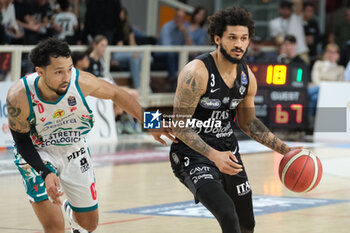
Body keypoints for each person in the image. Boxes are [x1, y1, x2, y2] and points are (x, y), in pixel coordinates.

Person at [6, 38, 174, 233]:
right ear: (40, 72)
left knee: (90, 224)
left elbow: (117, 94)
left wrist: (149, 122)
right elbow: (21, 141)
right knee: (54, 227)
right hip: (37, 151)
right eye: (59, 72)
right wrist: (44, 172)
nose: (66, 76)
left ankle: (71, 209)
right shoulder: (19, 96)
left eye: (69, 69)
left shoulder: (80, 81)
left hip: (73, 148)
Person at [169, 7, 298, 233]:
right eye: (232, 38)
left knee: (246, 223)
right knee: (227, 212)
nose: (239, 44)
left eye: (244, 38)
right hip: (193, 154)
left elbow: (248, 123)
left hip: (227, 151)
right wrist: (213, 156)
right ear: (217, 38)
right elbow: (179, 126)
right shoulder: (196, 73)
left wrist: (286, 150)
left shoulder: (247, 77)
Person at [156, 8, 192, 91]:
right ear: (174, 17)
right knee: (171, 54)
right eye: (178, 17)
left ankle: (188, 84)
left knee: (191, 57)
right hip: (161, 53)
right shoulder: (167, 26)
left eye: (182, 18)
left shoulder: (186, 27)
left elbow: (191, 48)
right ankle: (173, 80)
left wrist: (185, 33)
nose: (179, 20)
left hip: (177, 54)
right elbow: (166, 47)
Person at [308, 43, 344, 118]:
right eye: (329, 52)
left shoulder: (340, 69)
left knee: (313, 95)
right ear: (325, 53)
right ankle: (310, 119)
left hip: (332, 92)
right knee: (315, 96)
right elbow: (315, 79)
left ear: (338, 55)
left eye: (334, 52)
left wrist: (327, 87)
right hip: (318, 88)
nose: (331, 55)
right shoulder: (318, 64)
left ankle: (309, 118)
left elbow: (339, 84)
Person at [111, 7, 142, 89]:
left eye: (122, 13)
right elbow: (118, 47)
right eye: (119, 13)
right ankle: (138, 86)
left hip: (127, 53)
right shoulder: (113, 26)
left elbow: (132, 43)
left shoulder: (128, 26)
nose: (120, 16)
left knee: (138, 57)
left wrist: (136, 51)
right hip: (116, 54)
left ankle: (142, 85)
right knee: (136, 57)